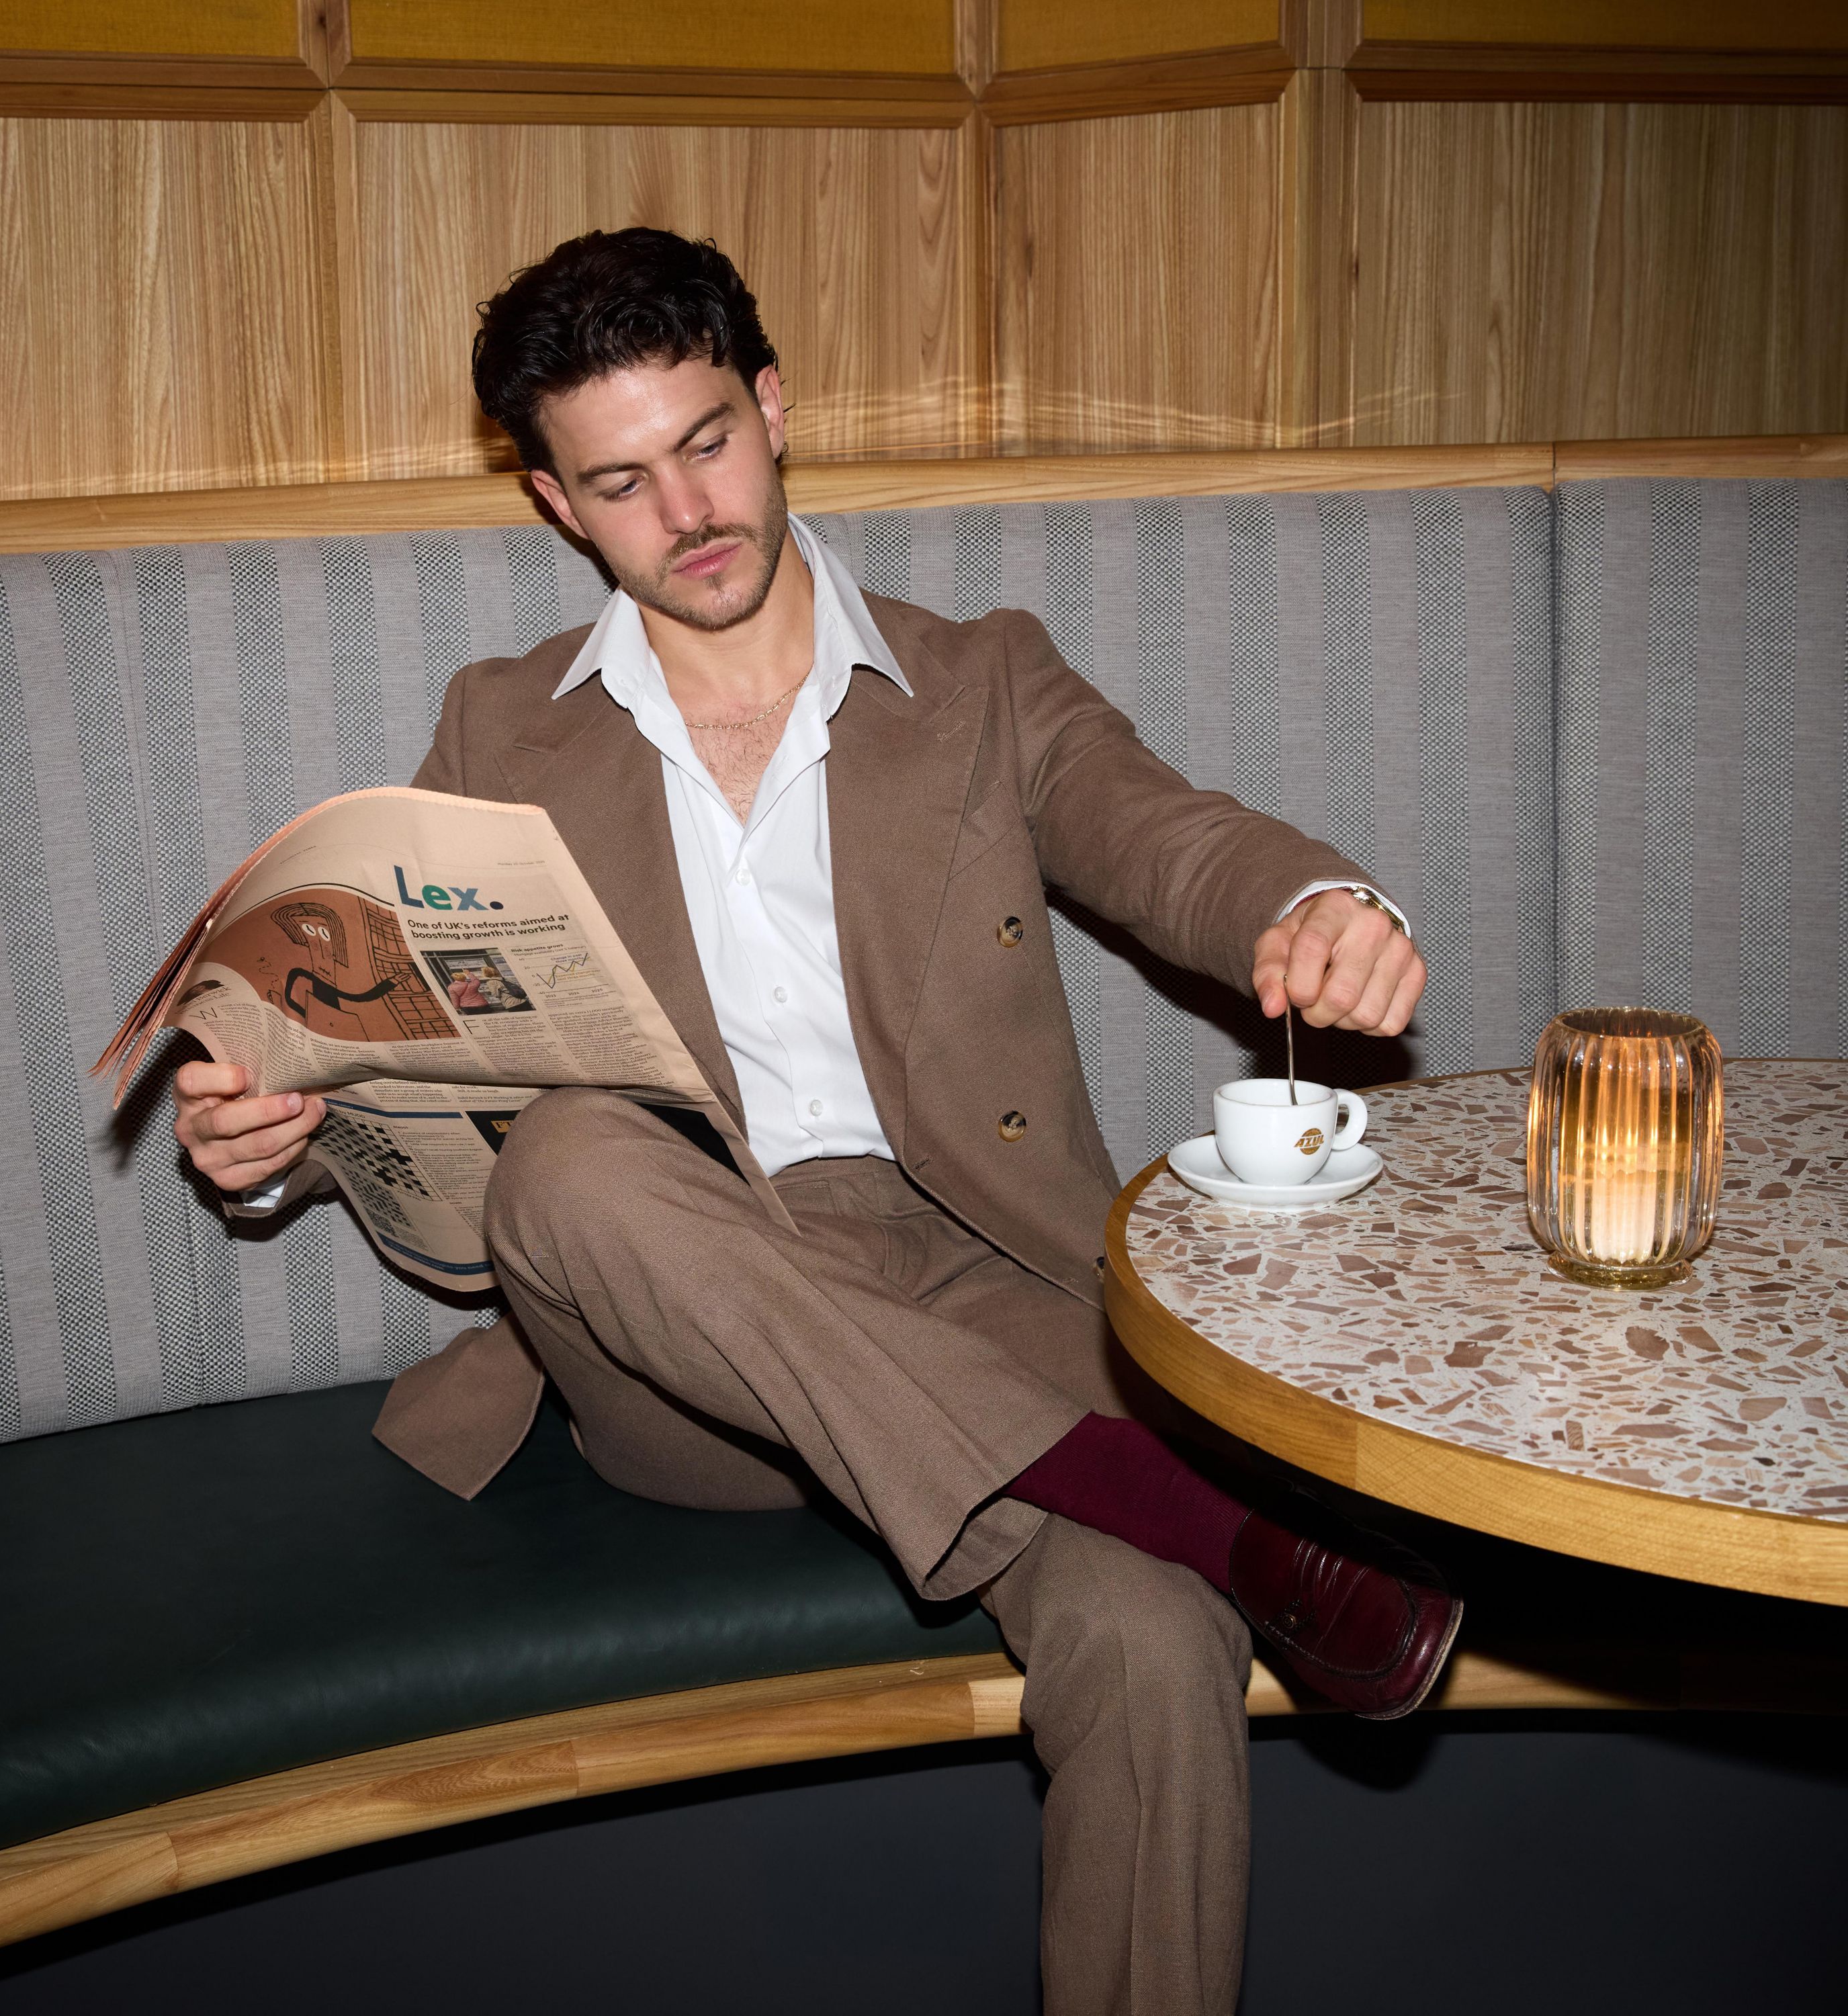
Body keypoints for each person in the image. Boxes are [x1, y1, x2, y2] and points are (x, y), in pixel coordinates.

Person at [174, 226, 1458, 2015]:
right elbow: (416, 1076)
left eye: (707, 440)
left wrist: (1310, 902)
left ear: (774, 408)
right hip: (681, 1330)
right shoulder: (496, 732)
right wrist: (280, 1131)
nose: (684, 507)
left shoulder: (983, 677)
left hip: (979, 1276)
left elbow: (1172, 836)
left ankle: (1155, 1534)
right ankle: (1167, 1493)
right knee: (569, 1154)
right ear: (557, 504)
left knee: (1156, 1635)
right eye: (620, 481)